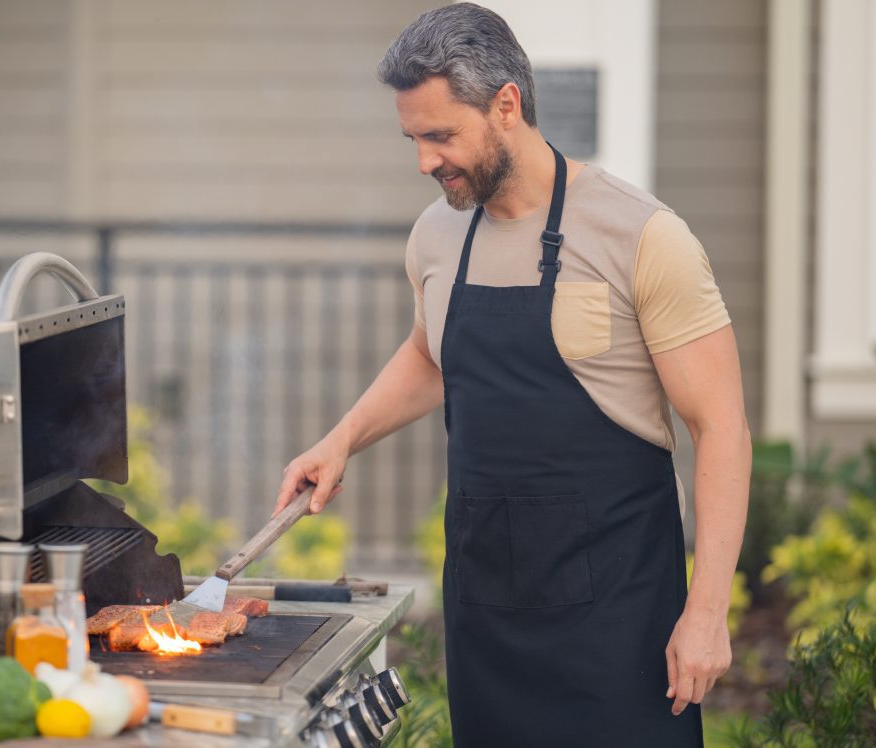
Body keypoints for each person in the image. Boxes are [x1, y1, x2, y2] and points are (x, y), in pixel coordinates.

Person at [273, 4, 750, 746]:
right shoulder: (437, 234)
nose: (425, 161)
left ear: (506, 105)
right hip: (486, 620)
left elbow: (720, 426)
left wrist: (708, 612)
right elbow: (429, 355)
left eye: (440, 136)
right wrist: (342, 441)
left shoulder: (643, 235)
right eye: (414, 139)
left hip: (620, 628)